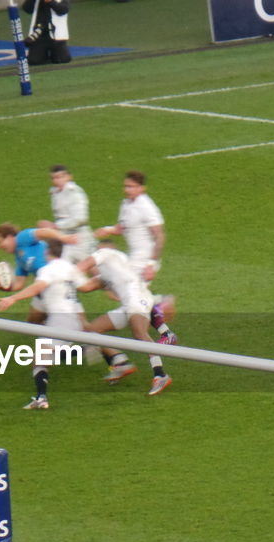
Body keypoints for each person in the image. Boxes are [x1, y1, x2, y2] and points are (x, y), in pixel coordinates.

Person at [0, 240, 85, 409]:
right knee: (40, 359)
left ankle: (87, 349)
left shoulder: (47, 269)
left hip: (60, 320)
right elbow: (86, 287)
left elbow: (38, 287)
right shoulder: (69, 268)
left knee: (40, 359)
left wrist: (12, 298)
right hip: (73, 318)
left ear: (47, 252)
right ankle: (41, 398)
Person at [78, 244, 175, 396]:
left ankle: (160, 375)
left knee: (140, 334)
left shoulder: (105, 253)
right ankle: (121, 362)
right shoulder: (108, 271)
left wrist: (63, 273)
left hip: (137, 300)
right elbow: (85, 287)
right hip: (128, 305)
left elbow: (83, 265)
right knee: (91, 330)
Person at [94, 170, 176, 344]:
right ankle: (163, 327)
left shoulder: (146, 206)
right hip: (133, 260)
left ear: (141, 188)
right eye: (126, 186)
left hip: (144, 261)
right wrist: (107, 230)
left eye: (131, 187)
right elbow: (122, 227)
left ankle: (160, 305)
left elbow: (159, 236)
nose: (127, 189)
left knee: (133, 297)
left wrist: (151, 264)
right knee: (131, 295)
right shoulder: (126, 204)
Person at [0, 222, 81, 324]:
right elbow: (19, 284)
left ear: (10, 237)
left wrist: (63, 238)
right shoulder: (19, 257)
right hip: (43, 288)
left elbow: (43, 231)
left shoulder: (22, 238)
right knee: (33, 322)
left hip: (58, 283)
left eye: (0, 242)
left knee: (79, 325)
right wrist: (0, 286)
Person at [45, 165, 94, 263]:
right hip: (66, 239)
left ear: (68, 176)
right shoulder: (55, 193)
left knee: (91, 268)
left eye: (60, 177)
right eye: (54, 178)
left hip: (80, 238)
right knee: (66, 268)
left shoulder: (74, 193)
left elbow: (80, 219)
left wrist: (55, 226)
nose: (56, 180)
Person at [22, 0, 72, 65]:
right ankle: (43, 54)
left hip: (57, 35)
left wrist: (51, 2)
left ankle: (52, 54)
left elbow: (63, 10)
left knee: (62, 59)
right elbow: (27, 9)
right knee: (34, 61)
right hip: (39, 35)